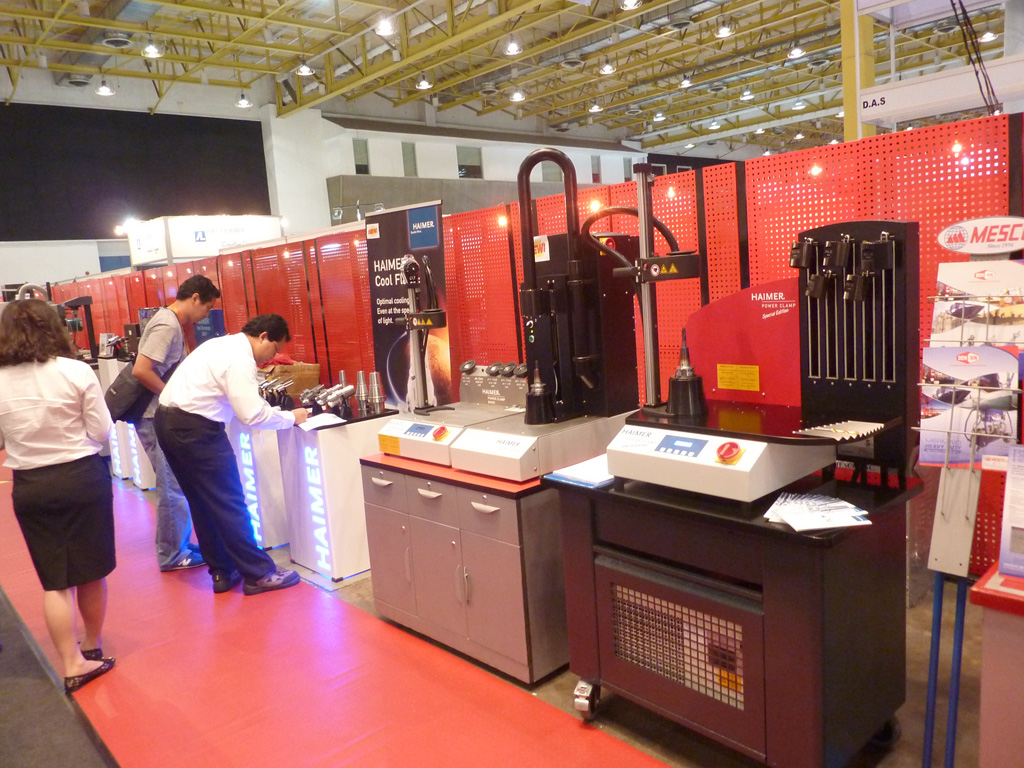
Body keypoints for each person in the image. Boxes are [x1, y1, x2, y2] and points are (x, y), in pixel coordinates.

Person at [0, 300, 115, 693]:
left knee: (55, 582)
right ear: (54, 327)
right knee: (91, 570)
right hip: (81, 478)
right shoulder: (75, 371)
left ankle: (71, 664)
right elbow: (101, 431)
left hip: (31, 484)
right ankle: (91, 645)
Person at [155, 313, 309, 595]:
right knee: (229, 501)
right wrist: (291, 417)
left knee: (202, 501)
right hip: (196, 429)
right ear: (263, 336)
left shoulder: (220, 344)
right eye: (274, 349)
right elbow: (251, 415)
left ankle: (222, 571)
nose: (271, 358)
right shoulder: (240, 359)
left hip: (167, 421)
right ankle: (258, 573)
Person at [131, 275, 221, 572]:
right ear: (194, 298)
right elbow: (142, 370)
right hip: (155, 415)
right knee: (171, 488)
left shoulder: (167, 321)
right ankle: (172, 554)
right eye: (207, 307)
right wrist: (171, 395)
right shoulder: (167, 324)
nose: (206, 315)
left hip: (156, 414)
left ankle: (178, 544)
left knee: (175, 484)